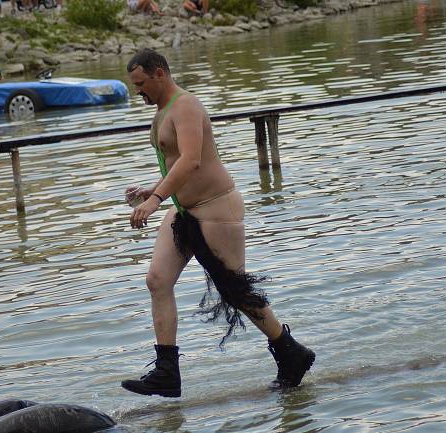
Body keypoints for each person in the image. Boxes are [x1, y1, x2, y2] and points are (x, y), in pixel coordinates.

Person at [120, 49, 316, 398]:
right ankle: (167, 371)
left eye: (141, 84)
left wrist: (155, 199)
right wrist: (151, 187)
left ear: (160, 73)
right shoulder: (162, 111)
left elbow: (193, 160)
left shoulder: (186, 106)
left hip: (215, 208)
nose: (139, 92)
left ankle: (291, 352)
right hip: (183, 210)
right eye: (135, 86)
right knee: (156, 280)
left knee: (235, 291)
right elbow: (174, 162)